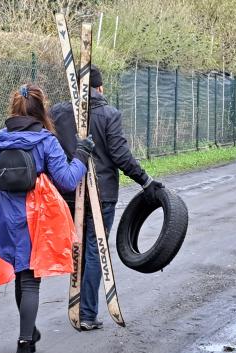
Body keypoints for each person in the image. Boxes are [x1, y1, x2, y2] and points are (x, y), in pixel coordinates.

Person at [0, 84, 94, 353]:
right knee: (31, 280)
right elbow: (68, 180)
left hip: (6, 218)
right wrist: (82, 153)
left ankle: (29, 331)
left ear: (14, 110)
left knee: (21, 276)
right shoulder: (46, 141)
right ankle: (24, 344)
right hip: (36, 219)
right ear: (41, 111)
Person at [50, 65, 164, 331]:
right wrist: (145, 181)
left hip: (68, 192)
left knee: (76, 248)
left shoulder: (57, 113)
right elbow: (120, 155)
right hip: (102, 196)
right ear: (100, 88)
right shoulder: (109, 114)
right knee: (93, 250)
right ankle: (88, 314)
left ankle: (77, 306)